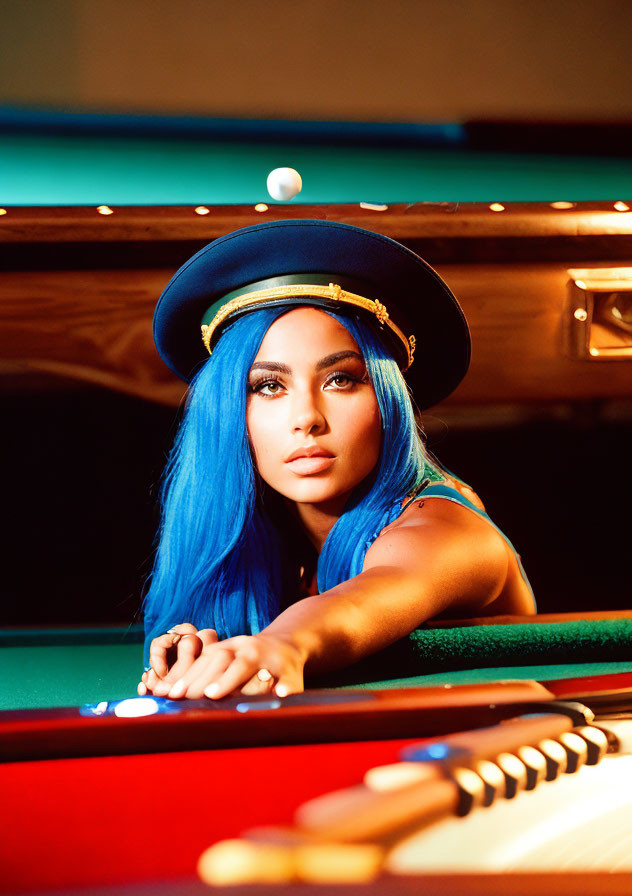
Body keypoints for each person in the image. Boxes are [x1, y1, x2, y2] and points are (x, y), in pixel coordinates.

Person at [139, 219, 535, 701]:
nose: (306, 417)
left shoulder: (448, 527)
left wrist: (280, 645)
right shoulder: (268, 536)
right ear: (229, 416)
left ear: (388, 400)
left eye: (341, 379)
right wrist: (206, 655)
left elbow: (374, 593)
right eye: (269, 386)